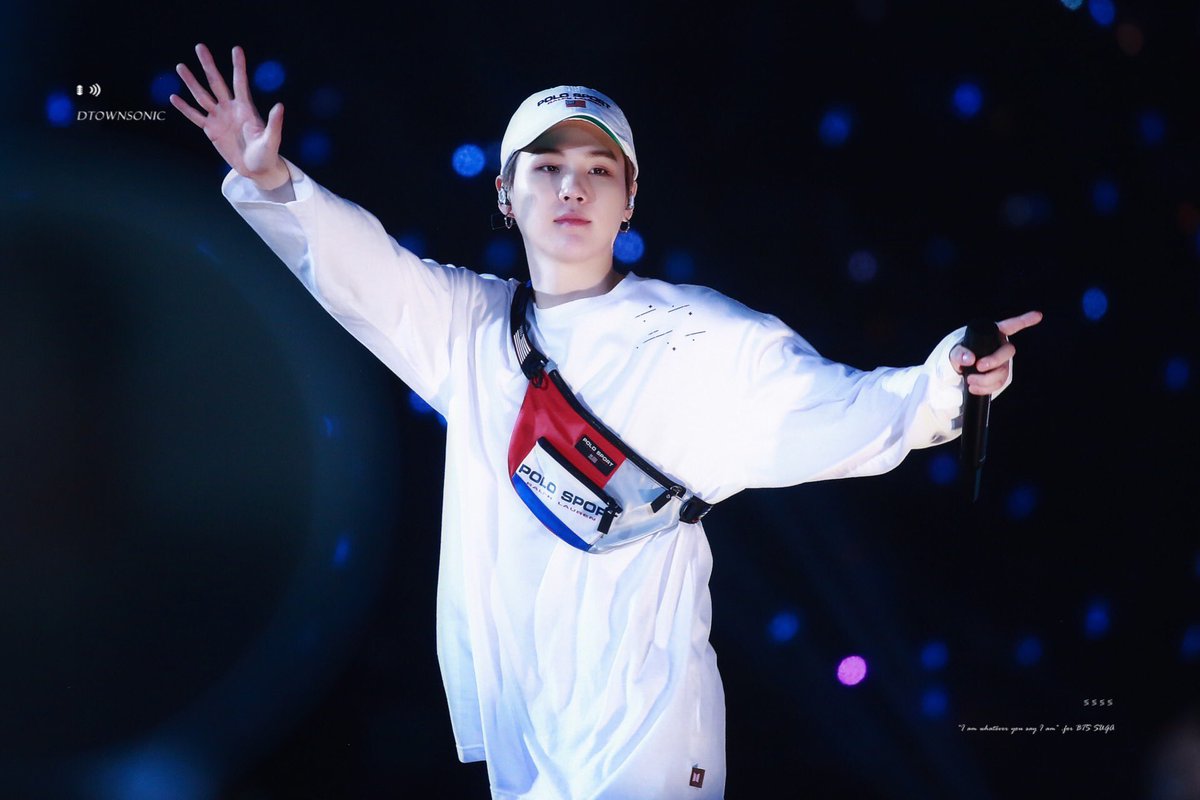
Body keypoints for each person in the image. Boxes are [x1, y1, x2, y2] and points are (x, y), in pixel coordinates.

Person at [171, 43, 1042, 800]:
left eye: (598, 169)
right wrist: (272, 181)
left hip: (646, 730)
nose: (572, 187)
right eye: (546, 167)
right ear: (506, 194)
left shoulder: (702, 335)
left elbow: (851, 406)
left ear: (630, 198)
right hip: (529, 735)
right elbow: (361, 272)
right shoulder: (469, 330)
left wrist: (948, 381)